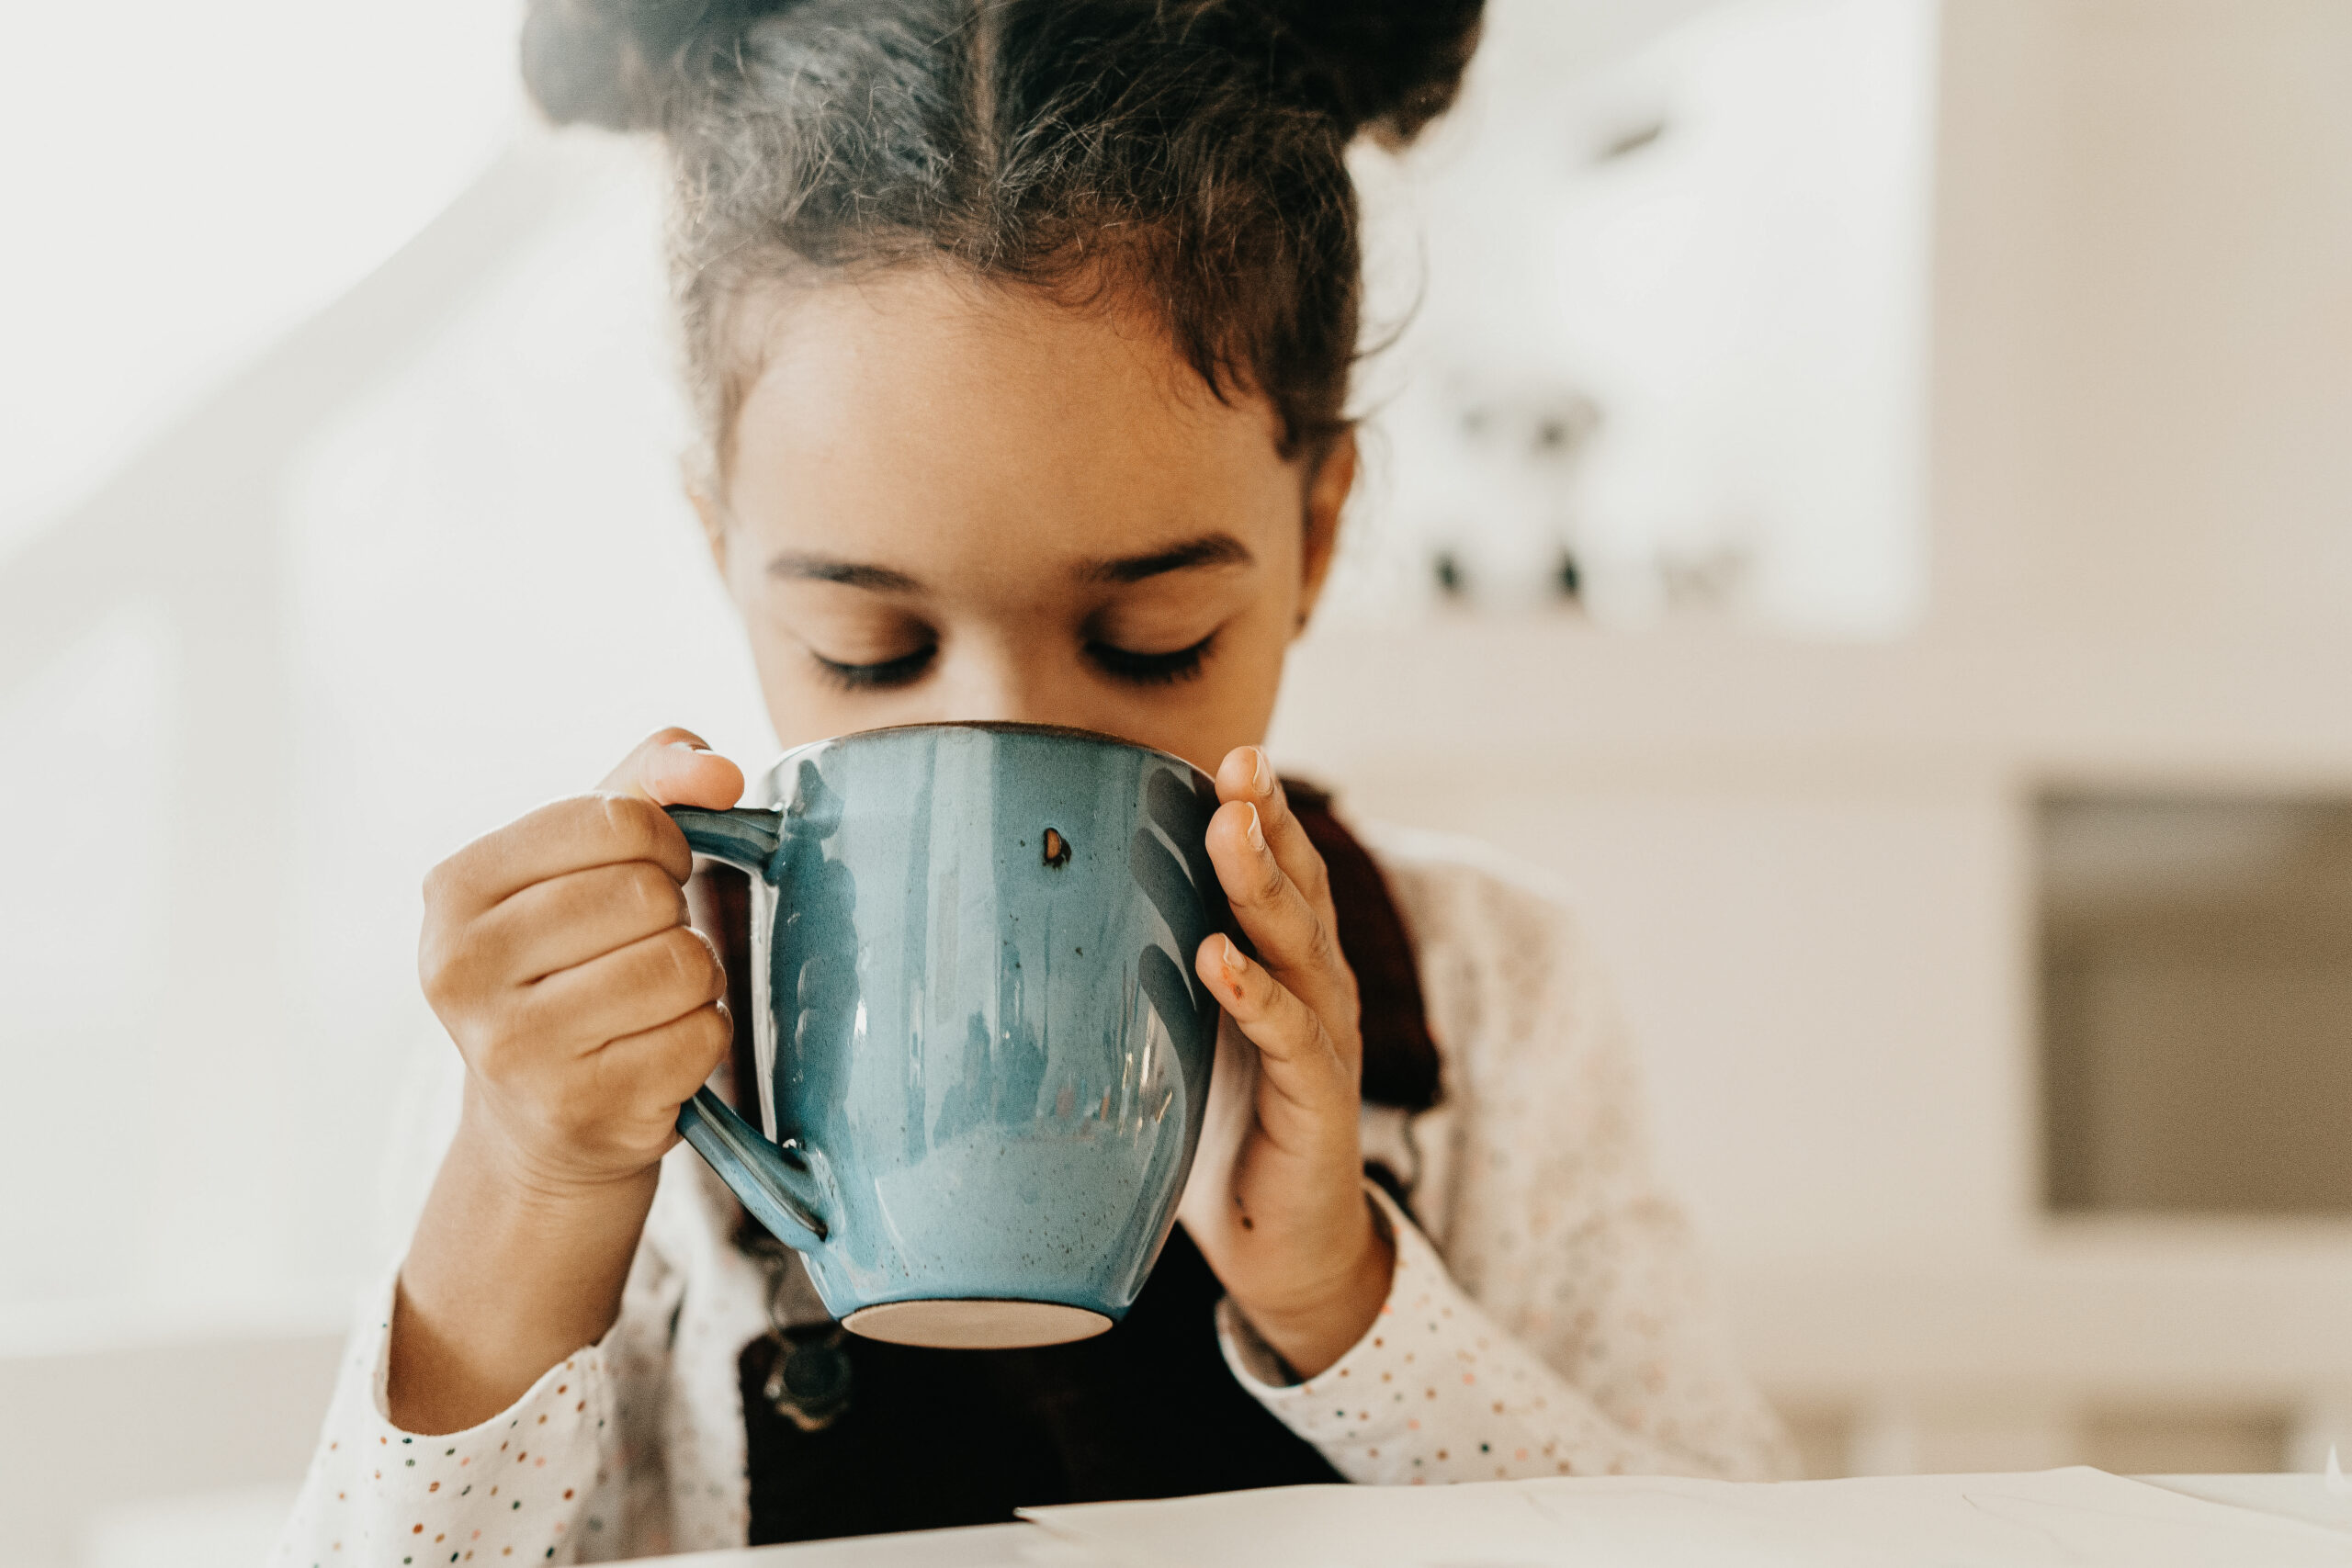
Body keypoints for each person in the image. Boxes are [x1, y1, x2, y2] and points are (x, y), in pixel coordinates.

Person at [275, 0, 1795, 1559]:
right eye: (869, 649)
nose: (1006, 736)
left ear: (1316, 537)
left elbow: (1733, 1548)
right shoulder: (594, 1061)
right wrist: (528, 1200)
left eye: (1151, 641)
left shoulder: (1489, 1004)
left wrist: (1349, 1301)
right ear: (723, 548)